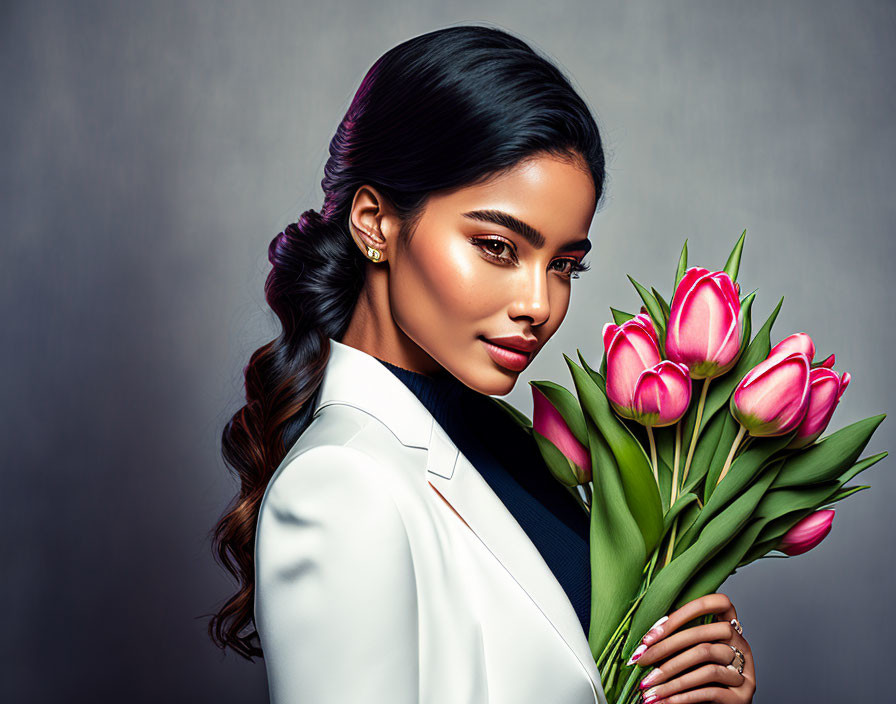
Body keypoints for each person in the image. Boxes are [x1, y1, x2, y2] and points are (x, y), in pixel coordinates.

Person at [208, 25, 757, 704]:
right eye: (498, 246)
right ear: (376, 222)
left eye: (564, 266)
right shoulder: (340, 484)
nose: (539, 304)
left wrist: (700, 680)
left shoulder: (514, 448)